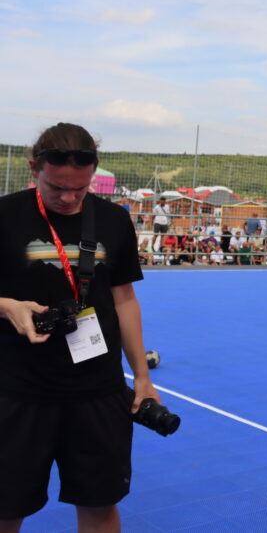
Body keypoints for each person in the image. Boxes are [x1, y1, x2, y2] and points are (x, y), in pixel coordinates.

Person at [0, 123, 161, 531]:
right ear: (34, 168)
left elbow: (124, 301)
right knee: (5, 508)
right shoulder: (5, 215)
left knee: (99, 504)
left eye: (81, 188)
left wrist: (141, 377)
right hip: (17, 390)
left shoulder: (114, 219)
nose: (69, 198)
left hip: (98, 391)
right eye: (56, 187)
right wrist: (6, 307)